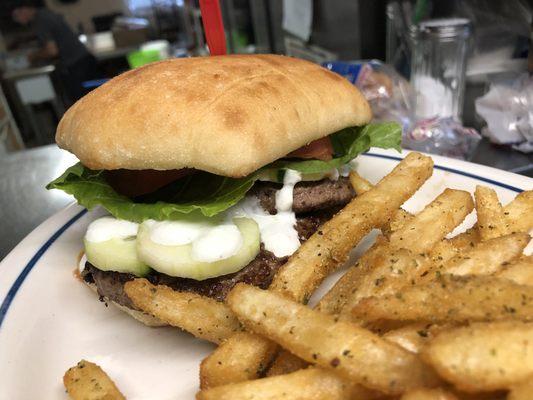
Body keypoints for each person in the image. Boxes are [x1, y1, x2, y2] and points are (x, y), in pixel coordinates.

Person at [12, 3, 101, 103]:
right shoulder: (45, 14)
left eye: (16, 17)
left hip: (77, 66)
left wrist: (32, 56)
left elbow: (52, 51)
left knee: (84, 102)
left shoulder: (40, 21)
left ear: (23, 9)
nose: (18, 21)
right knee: (96, 98)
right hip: (84, 59)